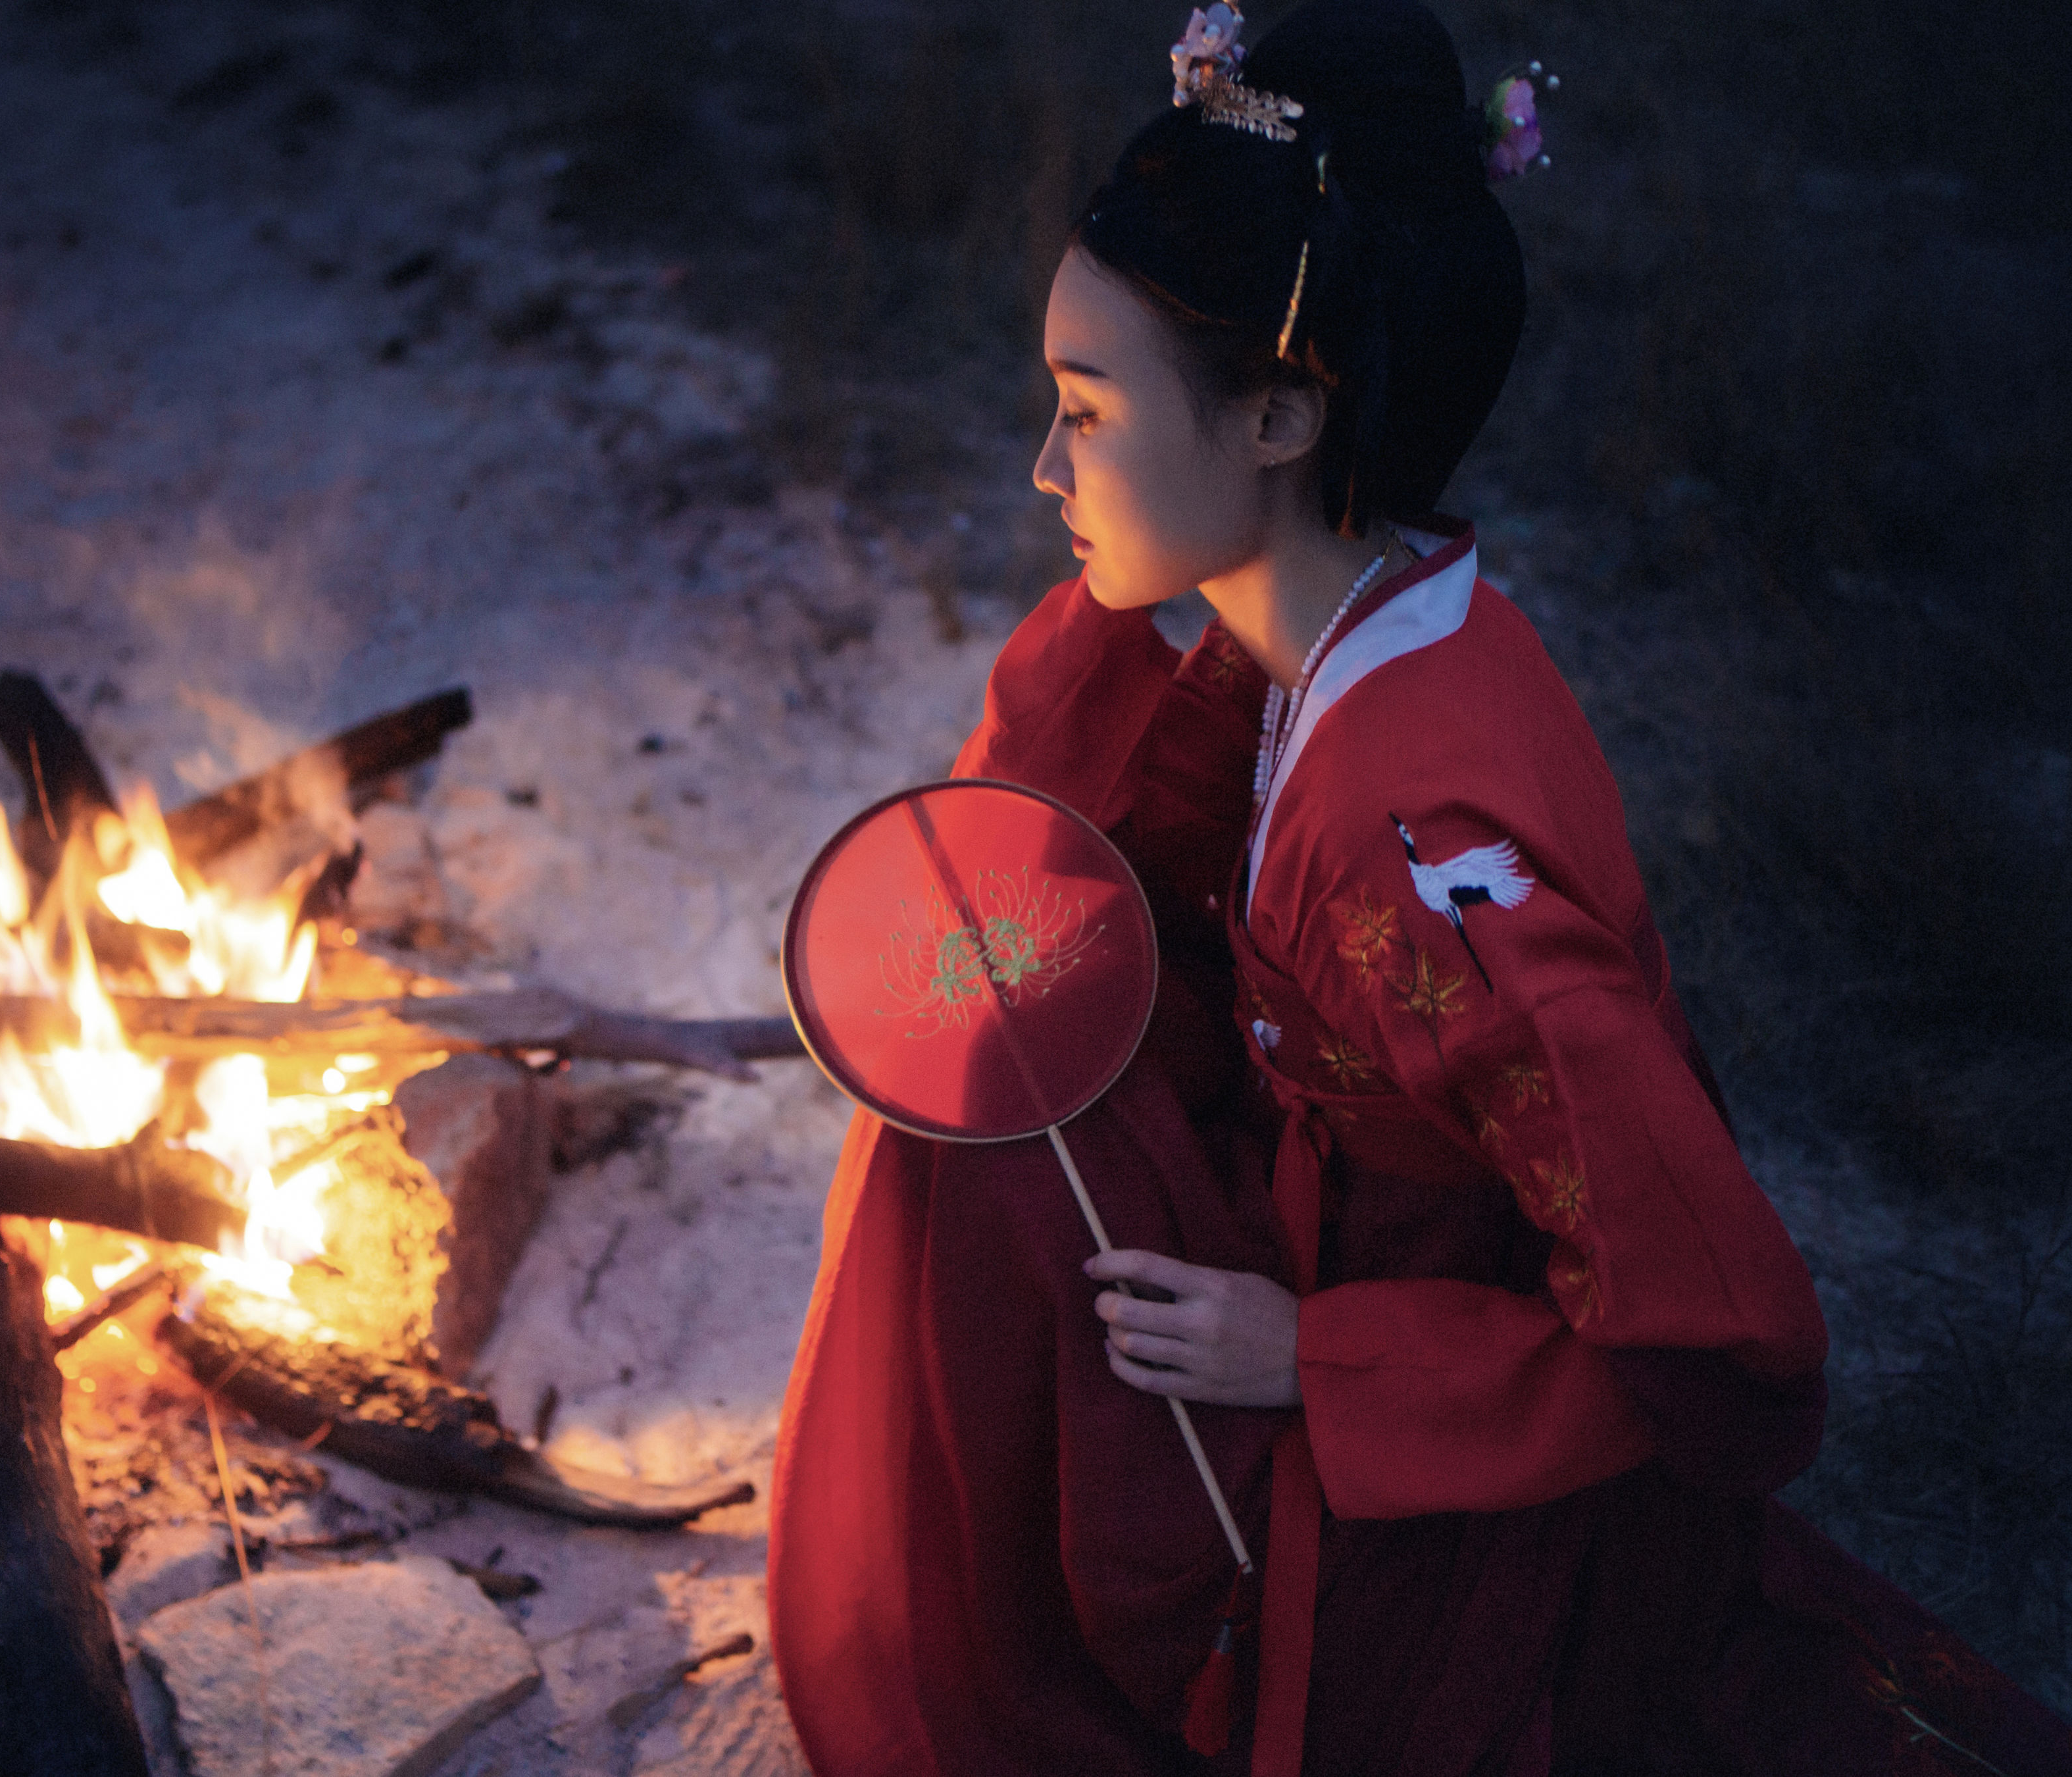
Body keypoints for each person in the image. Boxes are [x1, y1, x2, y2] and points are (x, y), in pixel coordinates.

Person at [765, 4, 2072, 1773]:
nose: (1042, 469)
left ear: (1283, 414)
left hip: (1445, 1438)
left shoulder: (1424, 861)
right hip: (1340, 1224)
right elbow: (1048, 808)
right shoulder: (1359, 621)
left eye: (1083, 411)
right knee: (986, 1061)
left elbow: (1729, 1333)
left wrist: (1313, 1356)